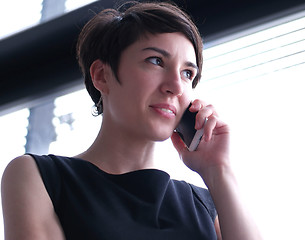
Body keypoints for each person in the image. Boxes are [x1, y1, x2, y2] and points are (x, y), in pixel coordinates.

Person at [1, 1, 262, 239]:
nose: (176, 86)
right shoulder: (39, 176)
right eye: (156, 61)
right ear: (102, 75)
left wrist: (218, 169)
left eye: (187, 73)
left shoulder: (203, 205)